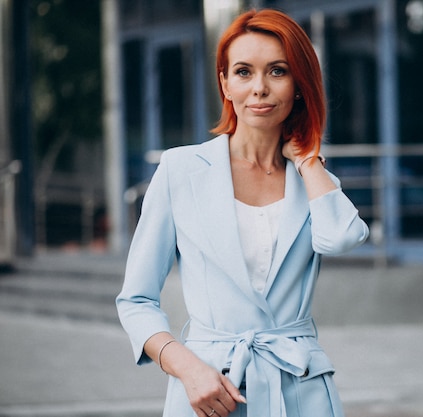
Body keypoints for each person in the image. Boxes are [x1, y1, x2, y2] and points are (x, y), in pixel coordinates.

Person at [116, 8, 369, 417]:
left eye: (278, 71)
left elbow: (341, 237)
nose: (260, 88)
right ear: (225, 83)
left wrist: (307, 161)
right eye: (244, 72)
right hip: (208, 392)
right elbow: (136, 300)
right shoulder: (181, 171)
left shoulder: (312, 180)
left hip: (301, 390)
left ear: (299, 85)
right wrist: (187, 368)